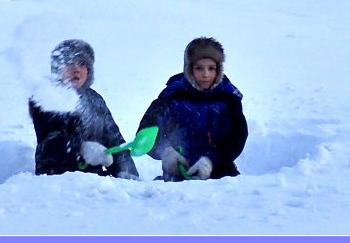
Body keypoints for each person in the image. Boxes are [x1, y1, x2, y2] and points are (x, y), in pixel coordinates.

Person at [137, 36, 248, 181]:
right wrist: (166, 152)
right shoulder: (171, 98)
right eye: (199, 68)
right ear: (189, 68)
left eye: (211, 68)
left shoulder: (228, 100)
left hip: (222, 174)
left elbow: (236, 138)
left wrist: (212, 160)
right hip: (178, 172)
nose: (206, 74)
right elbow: (146, 134)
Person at [28, 39, 138, 178]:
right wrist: (81, 150)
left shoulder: (94, 99)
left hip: (94, 178)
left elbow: (114, 139)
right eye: (69, 63)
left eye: (81, 64)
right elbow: (50, 144)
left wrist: (126, 171)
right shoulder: (47, 97)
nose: (76, 69)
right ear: (57, 68)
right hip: (55, 178)